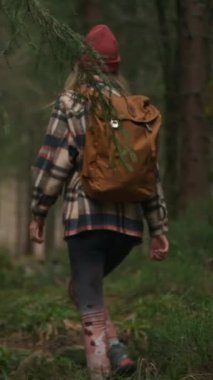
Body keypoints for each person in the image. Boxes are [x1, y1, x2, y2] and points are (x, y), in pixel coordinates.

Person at [30, 24, 169, 380]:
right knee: (82, 288)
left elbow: (54, 163)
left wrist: (39, 212)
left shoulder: (71, 103)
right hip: (127, 226)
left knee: (88, 300)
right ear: (115, 67)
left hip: (85, 220)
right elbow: (150, 172)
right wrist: (159, 227)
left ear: (81, 65)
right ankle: (118, 351)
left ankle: (100, 372)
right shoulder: (133, 110)